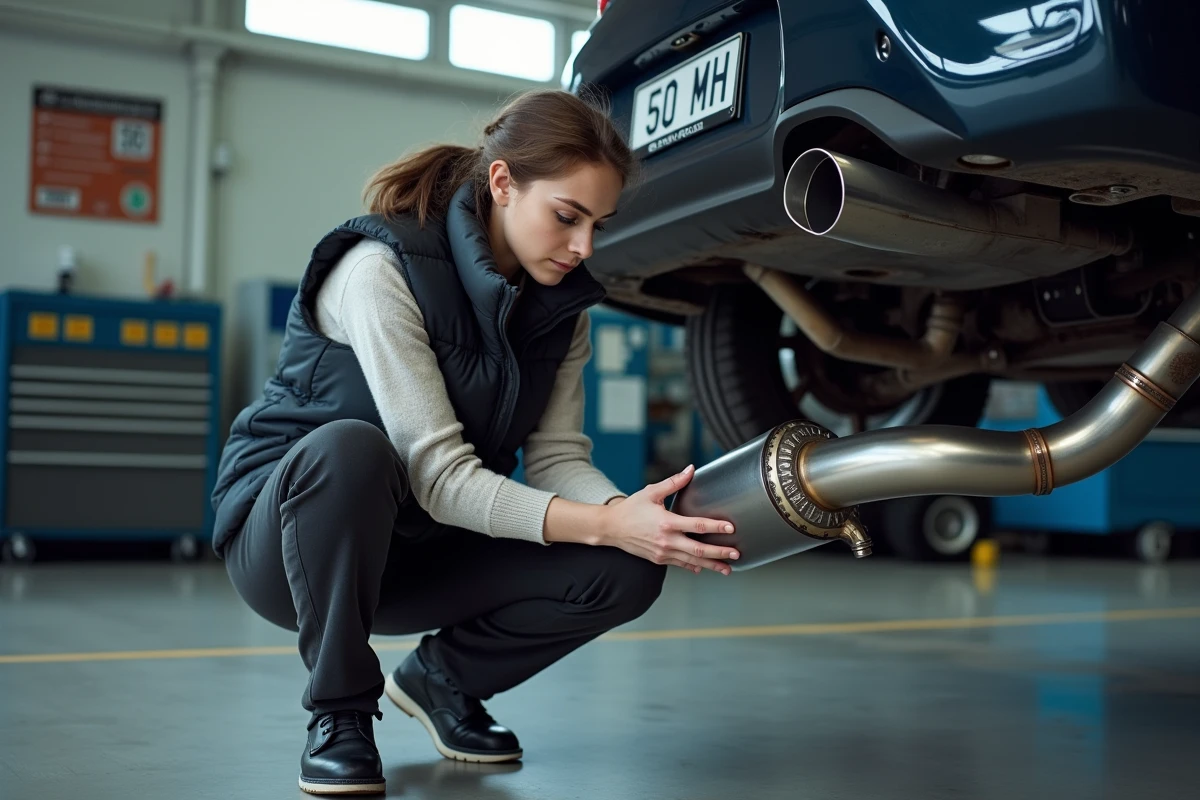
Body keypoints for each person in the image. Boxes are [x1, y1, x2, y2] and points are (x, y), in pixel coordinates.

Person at [210, 89, 740, 796]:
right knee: (352, 450)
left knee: (626, 565)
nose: (584, 247)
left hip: (419, 547)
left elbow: (557, 458)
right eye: (567, 217)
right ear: (502, 183)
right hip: (291, 543)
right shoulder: (380, 268)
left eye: (598, 225)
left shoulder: (564, 309)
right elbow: (437, 474)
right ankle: (339, 715)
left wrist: (629, 517)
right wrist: (606, 522)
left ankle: (442, 681)